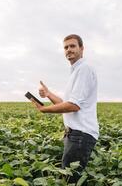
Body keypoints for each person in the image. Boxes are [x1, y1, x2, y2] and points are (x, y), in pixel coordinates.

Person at [30, 34, 99, 184]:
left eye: (73, 46)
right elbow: (64, 103)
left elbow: (73, 106)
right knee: (70, 177)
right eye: (66, 47)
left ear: (82, 48)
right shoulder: (76, 71)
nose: (69, 50)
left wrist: (44, 110)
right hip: (75, 135)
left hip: (80, 135)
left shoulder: (84, 69)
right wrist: (48, 94)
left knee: (69, 180)